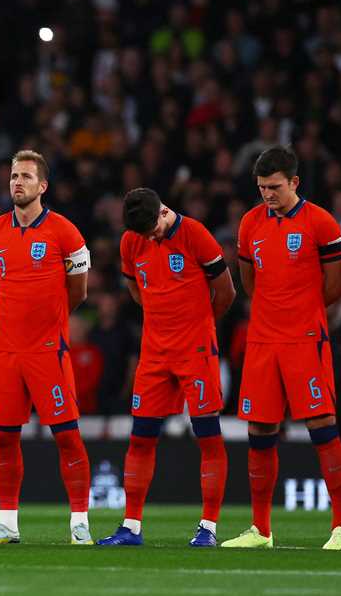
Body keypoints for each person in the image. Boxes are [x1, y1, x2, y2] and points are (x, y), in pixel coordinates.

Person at [222, 146, 341, 550]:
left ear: (295, 182)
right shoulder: (250, 224)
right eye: (262, 187)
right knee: (260, 430)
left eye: (275, 187)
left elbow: (337, 285)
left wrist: (301, 310)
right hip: (262, 340)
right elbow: (248, 280)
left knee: (322, 428)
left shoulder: (321, 222)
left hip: (305, 340)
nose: (267, 195)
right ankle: (261, 529)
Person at [98, 188, 235, 547]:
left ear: (163, 213)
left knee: (208, 436)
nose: (149, 238)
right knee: (140, 438)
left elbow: (226, 292)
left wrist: (197, 324)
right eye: (142, 235)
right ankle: (131, 527)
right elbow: (135, 289)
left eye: (152, 231)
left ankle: (208, 528)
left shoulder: (195, 234)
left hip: (196, 351)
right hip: (155, 353)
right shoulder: (132, 241)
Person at [0, 150, 93, 545]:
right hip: (6, 350)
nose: (17, 183)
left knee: (66, 435)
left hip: (47, 350)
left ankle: (79, 521)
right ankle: (7, 523)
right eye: (13, 176)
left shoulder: (66, 233)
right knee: (3, 437)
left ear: (43, 186)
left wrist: (50, 317)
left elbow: (78, 292)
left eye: (25, 176)